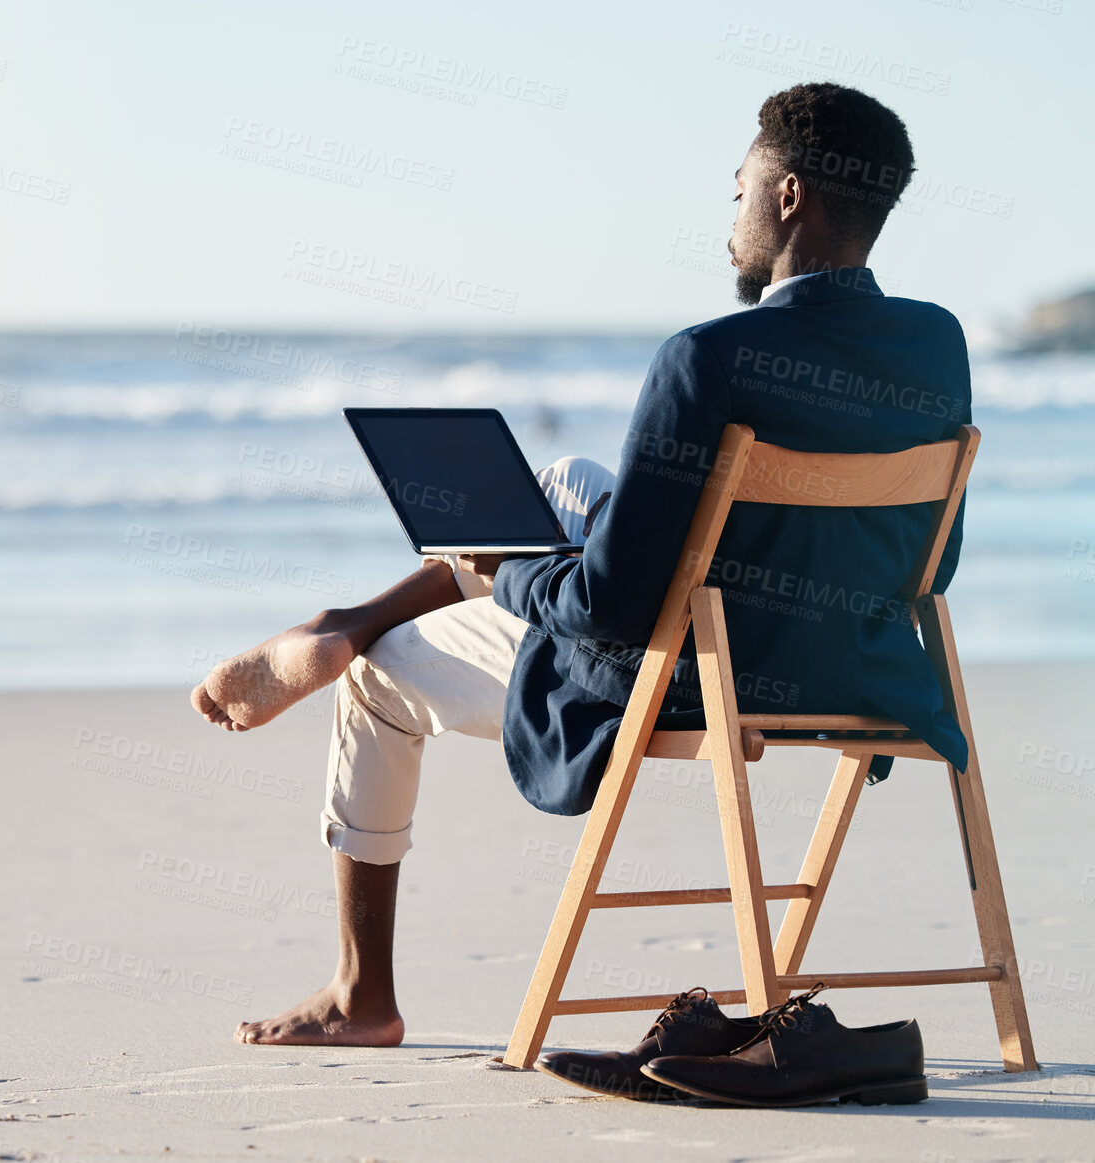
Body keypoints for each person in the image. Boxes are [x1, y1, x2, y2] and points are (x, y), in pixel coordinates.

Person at [191, 82, 973, 1048]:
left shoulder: (705, 356)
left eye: (738, 190)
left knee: (377, 680)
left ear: (788, 196)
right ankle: (358, 614)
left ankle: (363, 990)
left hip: (697, 674)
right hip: (860, 668)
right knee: (568, 478)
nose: (729, 215)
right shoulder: (938, 344)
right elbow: (932, 564)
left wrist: (511, 568)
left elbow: (609, 604)